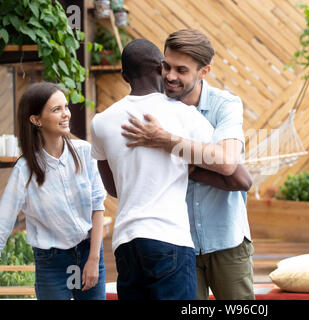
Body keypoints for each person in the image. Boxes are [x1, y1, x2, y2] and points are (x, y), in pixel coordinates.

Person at [121, 29, 255, 300]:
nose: (170, 76)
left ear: (204, 71)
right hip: (177, 245)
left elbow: (228, 163)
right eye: (166, 67)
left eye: (181, 70)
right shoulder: (153, 106)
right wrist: (199, 162)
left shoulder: (225, 106)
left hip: (227, 239)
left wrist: (165, 141)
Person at [90, 39, 215, 300]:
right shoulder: (185, 115)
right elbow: (220, 160)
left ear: (124, 75)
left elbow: (111, 187)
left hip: (126, 243)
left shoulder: (100, 122)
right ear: (161, 68)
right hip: (169, 237)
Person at [0, 82, 106, 300]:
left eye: (65, 107)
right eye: (56, 109)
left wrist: (93, 259)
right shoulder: (25, 170)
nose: (66, 114)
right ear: (36, 120)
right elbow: (3, 222)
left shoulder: (85, 153)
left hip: (89, 253)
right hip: (51, 263)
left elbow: (98, 205)